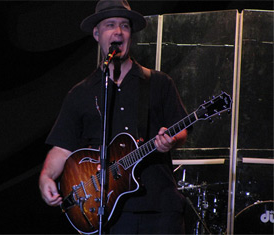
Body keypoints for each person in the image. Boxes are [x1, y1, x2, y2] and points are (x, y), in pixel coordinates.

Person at [39, 0, 189, 233]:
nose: (118, 31)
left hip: (159, 208)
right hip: (106, 212)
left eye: (124, 26)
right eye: (110, 25)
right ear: (97, 34)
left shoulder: (158, 83)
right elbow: (62, 147)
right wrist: (46, 177)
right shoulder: (81, 92)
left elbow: (180, 130)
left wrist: (170, 140)